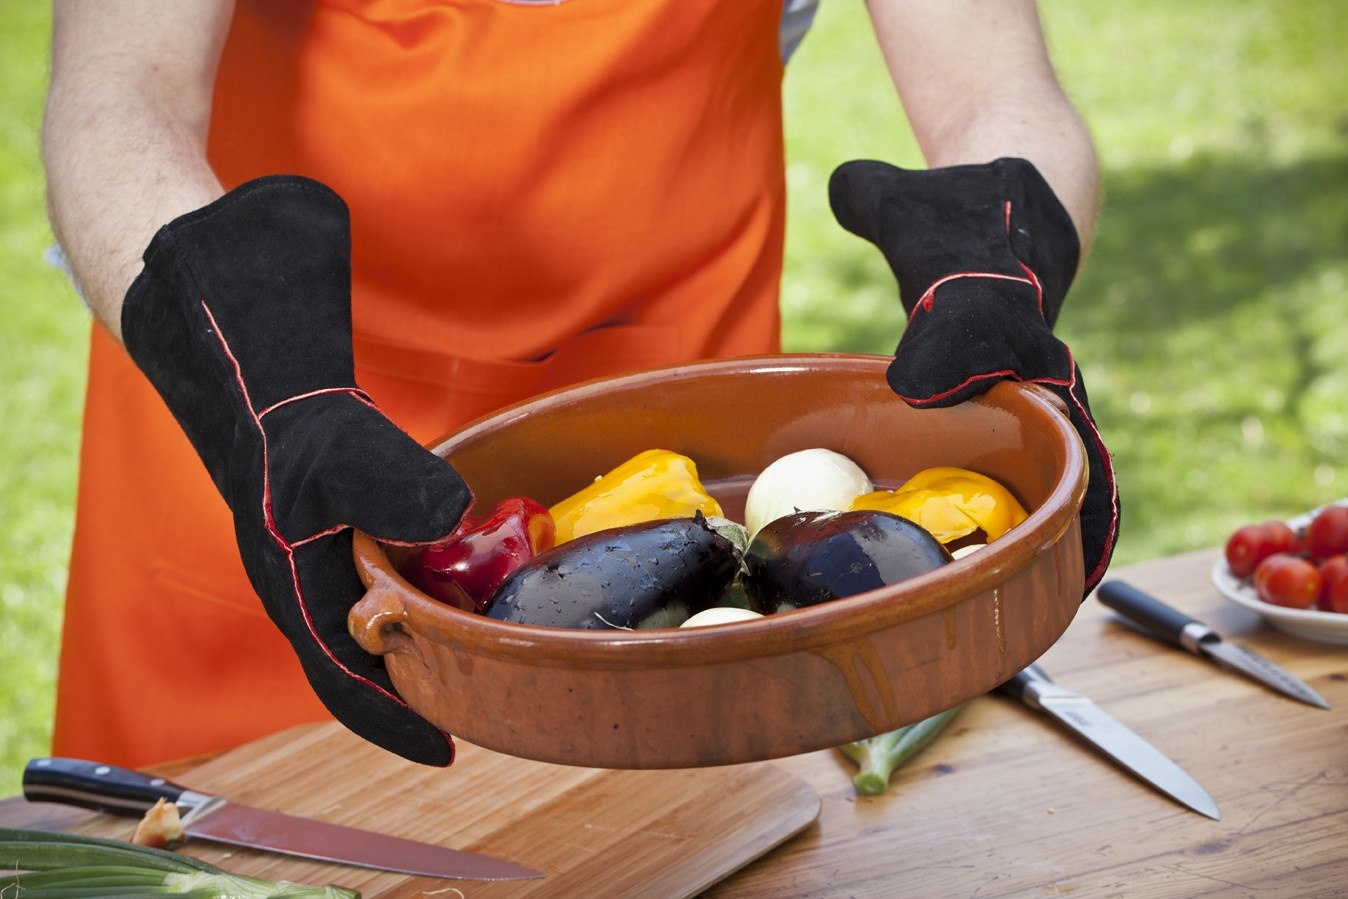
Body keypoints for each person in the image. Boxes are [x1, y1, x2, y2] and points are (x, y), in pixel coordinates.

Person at [42, 0, 1118, 769]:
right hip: (276, 439)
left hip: (674, 494)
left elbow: (996, 88)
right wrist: (258, 392)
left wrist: (997, 264)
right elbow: (114, 103)